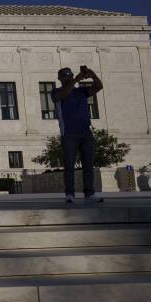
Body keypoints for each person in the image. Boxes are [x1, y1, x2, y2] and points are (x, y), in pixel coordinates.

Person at [52, 66, 104, 204]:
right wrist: (76, 79)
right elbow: (64, 94)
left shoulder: (81, 91)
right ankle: (70, 194)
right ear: (59, 78)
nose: (67, 78)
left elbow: (98, 87)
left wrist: (93, 75)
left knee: (88, 165)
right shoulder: (56, 92)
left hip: (86, 133)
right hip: (69, 134)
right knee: (69, 166)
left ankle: (89, 193)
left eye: (69, 76)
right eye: (64, 76)